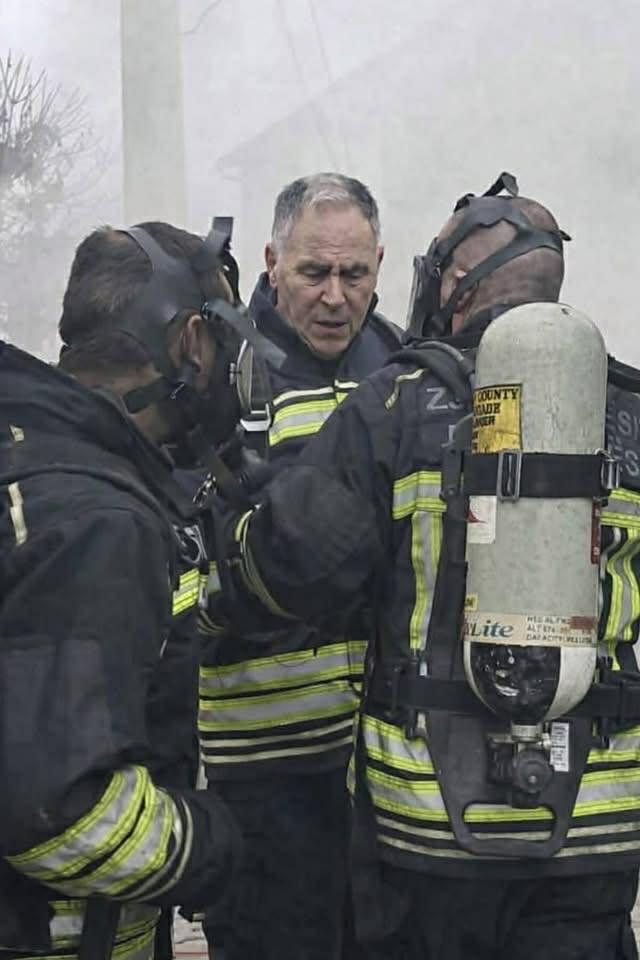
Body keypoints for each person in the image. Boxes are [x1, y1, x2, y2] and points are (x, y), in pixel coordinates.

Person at [213, 178, 640, 959]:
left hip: (434, 825)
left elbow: (292, 563)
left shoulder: (400, 402)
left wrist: (226, 555)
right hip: (598, 825)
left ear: (455, 283)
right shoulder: (630, 413)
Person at [0, 221, 247, 960]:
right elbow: (61, 815)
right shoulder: (99, 522)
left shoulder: (29, 454)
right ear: (192, 342)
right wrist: (207, 844)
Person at [199, 173, 400, 959]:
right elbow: (176, 570)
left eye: (355, 274)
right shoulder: (217, 379)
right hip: (264, 772)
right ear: (271, 261)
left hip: (386, 773)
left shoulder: (407, 370)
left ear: (381, 265)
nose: (335, 297)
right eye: (314, 272)